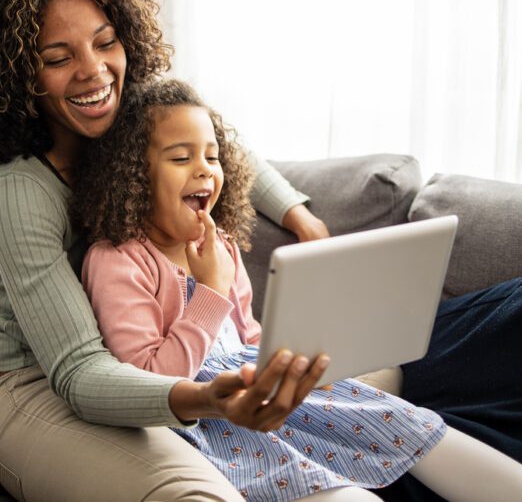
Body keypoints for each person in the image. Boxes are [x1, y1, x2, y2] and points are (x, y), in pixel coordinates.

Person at [0, 0, 332, 502]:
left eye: (105, 43)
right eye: (58, 57)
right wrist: (206, 398)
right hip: (39, 394)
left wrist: (301, 218)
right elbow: (77, 373)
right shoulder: (20, 191)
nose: (94, 72)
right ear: (19, 77)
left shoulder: (126, 120)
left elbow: (221, 147)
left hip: (156, 376)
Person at [77, 78, 522, 501]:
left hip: (267, 394)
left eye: (212, 158)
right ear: (134, 175)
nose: (204, 171)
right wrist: (210, 290)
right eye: (180, 158)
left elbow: (250, 338)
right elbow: (150, 383)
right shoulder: (117, 260)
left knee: (416, 428)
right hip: (207, 424)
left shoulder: (222, 247)